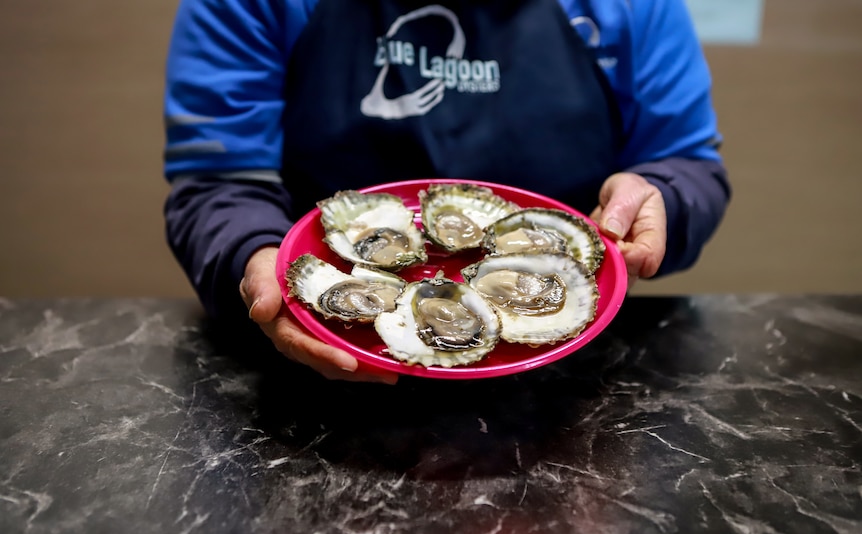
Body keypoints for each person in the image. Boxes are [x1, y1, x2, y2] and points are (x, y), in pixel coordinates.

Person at [162, 0, 732, 385]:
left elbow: (686, 162)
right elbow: (220, 181)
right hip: (315, 377)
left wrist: (662, 195)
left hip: (571, 380)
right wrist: (251, 254)